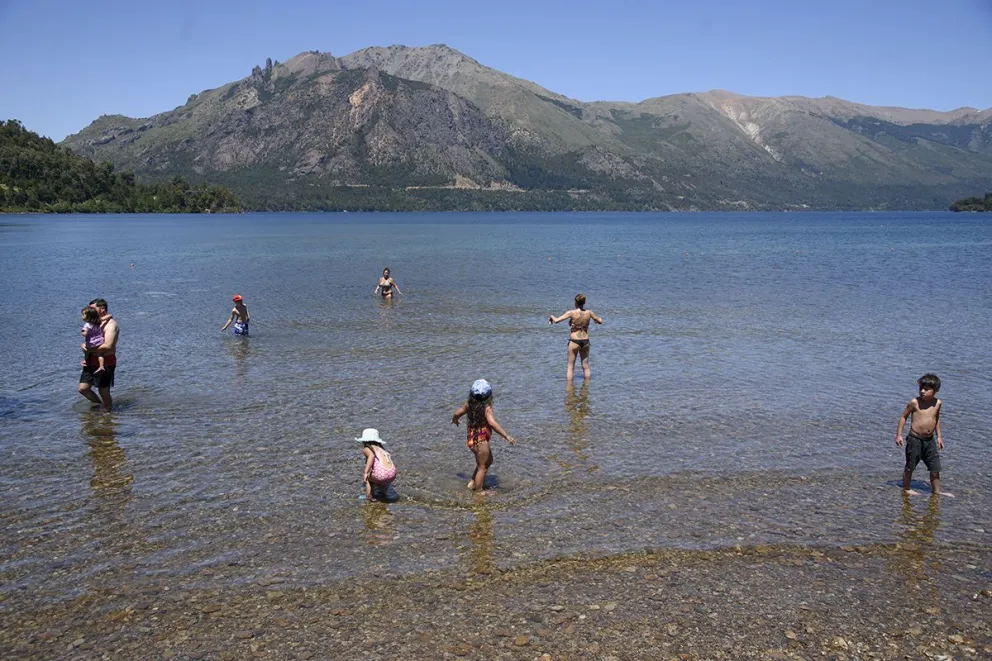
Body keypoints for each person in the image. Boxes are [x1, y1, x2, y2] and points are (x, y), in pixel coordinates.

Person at [451, 379, 515, 491]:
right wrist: (506, 436)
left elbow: (457, 413)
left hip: (472, 439)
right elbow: (492, 423)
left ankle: (472, 483)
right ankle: (479, 492)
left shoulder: (468, 405)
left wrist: (455, 420)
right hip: (481, 442)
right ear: (489, 395)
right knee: (482, 468)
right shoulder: (487, 408)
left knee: (488, 460)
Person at [895, 373, 945, 495]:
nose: (922, 391)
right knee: (910, 466)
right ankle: (906, 489)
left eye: (926, 389)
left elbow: (936, 419)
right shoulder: (914, 402)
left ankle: (937, 492)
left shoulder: (937, 403)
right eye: (921, 388)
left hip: (930, 440)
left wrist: (939, 437)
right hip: (914, 439)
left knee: (935, 468)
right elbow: (903, 417)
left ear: (935, 391)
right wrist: (899, 435)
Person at [548, 293, 603, 381]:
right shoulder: (589, 313)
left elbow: (557, 320)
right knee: (586, 367)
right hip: (585, 341)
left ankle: (569, 390)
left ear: (575, 302)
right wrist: (597, 319)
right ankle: (586, 388)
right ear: (584, 302)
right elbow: (600, 321)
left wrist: (551, 316)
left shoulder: (571, 312)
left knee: (570, 368)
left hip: (574, 341)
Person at [78, 298, 118, 411]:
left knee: (103, 391)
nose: (90, 310)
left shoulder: (111, 325)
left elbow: (108, 345)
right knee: (83, 388)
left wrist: (88, 349)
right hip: (91, 360)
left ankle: (108, 414)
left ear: (102, 309)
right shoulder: (94, 322)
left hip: (105, 361)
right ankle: (101, 405)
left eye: (92, 308)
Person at [357, 428, 397, 501]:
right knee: (381, 477)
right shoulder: (382, 448)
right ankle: (383, 493)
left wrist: (366, 472)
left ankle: (369, 496)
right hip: (392, 473)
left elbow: (371, 457)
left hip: (382, 475)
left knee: (369, 478)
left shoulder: (367, 449)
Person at [80, 307, 106, 375]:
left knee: (85, 349)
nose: (82, 316)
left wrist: (83, 332)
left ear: (88, 317)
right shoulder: (98, 322)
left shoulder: (87, 324)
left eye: (83, 315)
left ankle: (86, 361)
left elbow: (84, 334)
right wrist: (110, 316)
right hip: (100, 341)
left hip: (91, 343)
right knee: (100, 354)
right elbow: (106, 318)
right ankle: (101, 366)